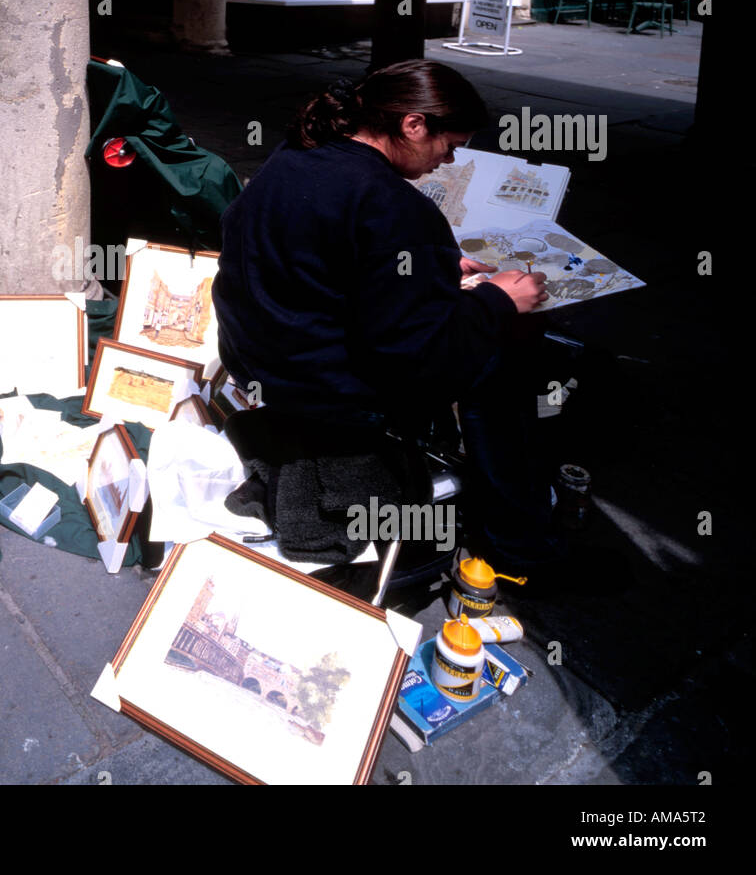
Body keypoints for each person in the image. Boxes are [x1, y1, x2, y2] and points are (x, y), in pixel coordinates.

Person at [213, 60, 562, 569]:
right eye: (451, 146)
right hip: (325, 391)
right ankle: (518, 538)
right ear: (414, 124)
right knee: (508, 354)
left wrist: (431, 267)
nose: (449, 160)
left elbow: (319, 255)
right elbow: (414, 357)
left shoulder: (296, 158)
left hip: (260, 360)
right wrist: (497, 302)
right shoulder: (393, 205)